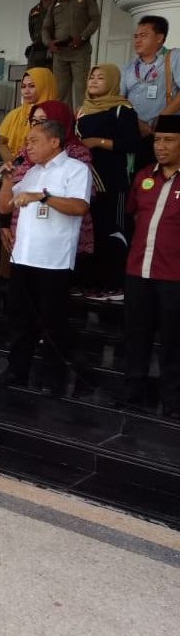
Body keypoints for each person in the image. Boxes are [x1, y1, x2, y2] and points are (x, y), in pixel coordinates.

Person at [0, 120, 92, 392]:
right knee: (19, 320)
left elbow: (79, 206)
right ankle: (17, 370)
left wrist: (44, 197)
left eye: (34, 140)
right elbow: (5, 205)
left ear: (54, 142)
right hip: (23, 258)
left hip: (54, 261)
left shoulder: (75, 170)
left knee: (53, 323)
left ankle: (53, 378)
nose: (28, 145)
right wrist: (7, 181)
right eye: (28, 140)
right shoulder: (31, 173)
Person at [123, 115, 180, 416]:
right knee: (136, 335)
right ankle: (133, 394)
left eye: (169, 140)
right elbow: (134, 215)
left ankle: (172, 401)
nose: (161, 146)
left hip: (174, 276)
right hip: (138, 272)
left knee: (173, 341)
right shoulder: (144, 176)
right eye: (158, 139)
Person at [76, 64, 141, 301]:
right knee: (90, 231)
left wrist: (98, 142)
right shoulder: (82, 111)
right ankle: (91, 282)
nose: (93, 81)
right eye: (91, 77)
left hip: (112, 180)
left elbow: (132, 143)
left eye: (100, 77)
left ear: (113, 81)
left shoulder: (121, 109)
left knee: (112, 230)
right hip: (86, 180)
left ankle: (115, 284)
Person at [120, 16, 180, 170]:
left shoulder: (173, 57)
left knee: (164, 175)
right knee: (138, 176)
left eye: (143, 36)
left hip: (166, 131)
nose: (137, 41)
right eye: (136, 36)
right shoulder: (129, 67)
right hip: (137, 131)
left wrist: (161, 118)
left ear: (159, 38)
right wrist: (138, 124)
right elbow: (119, 99)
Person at [41, 0, 100, 110]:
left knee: (82, 90)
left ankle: (83, 125)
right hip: (60, 53)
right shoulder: (55, 4)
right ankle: (64, 124)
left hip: (79, 51)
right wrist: (49, 43)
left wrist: (83, 36)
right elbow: (45, 28)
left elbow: (95, 20)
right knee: (61, 92)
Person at [0, 68, 58, 171]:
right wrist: (15, 165)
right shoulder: (14, 114)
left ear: (45, 86)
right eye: (23, 86)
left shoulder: (58, 114)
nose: (26, 91)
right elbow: (2, 143)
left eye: (32, 86)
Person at [26, 0, 57, 68]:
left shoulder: (60, 7)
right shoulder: (34, 10)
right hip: (36, 53)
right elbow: (32, 32)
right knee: (34, 80)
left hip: (54, 52)